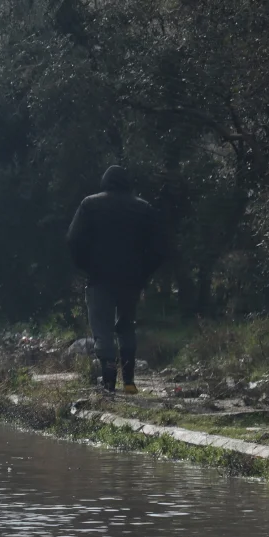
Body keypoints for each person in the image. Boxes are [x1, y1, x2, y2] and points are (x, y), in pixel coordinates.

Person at [66, 166, 167, 394]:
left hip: (99, 278)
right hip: (131, 280)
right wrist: (143, 274)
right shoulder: (143, 208)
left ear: (105, 182)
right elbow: (159, 248)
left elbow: (73, 239)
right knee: (126, 326)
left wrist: (86, 267)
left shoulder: (89, 204)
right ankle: (129, 381)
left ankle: (109, 381)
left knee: (102, 329)